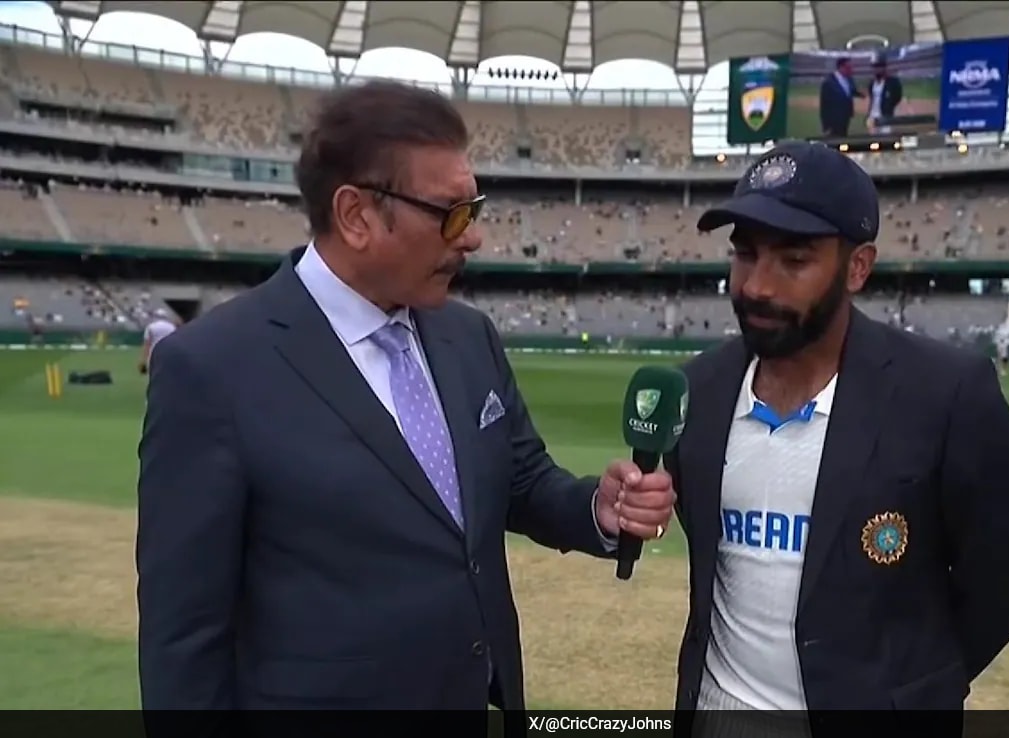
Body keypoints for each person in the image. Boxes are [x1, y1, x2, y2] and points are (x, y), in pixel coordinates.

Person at [135, 80, 676, 712]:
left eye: (473, 208)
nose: (472, 237)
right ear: (356, 215)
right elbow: (184, 639)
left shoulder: (468, 335)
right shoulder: (211, 367)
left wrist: (597, 508)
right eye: (450, 212)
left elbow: (520, 480)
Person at [664, 142, 1009, 735]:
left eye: (793, 260)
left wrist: (910, 690)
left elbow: (1005, 586)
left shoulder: (946, 393)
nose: (757, 285)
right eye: (745, 254)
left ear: (858, 267)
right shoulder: (699, 389)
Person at [818, 57, 862, 137]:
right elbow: (824, 105)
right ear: (841, 67)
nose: (851, 70)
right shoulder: (828, 82)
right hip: (833, 119)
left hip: (846, 116)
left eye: (851, 67)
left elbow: (850, 91)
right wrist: (825, 126)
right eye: (848, 67)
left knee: (843, 137)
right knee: (834, 139)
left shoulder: (849, 79)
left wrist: (861, 95)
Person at [865, 57, 904, 134]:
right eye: (875, 68)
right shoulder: (872, 83)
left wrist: (888, 106)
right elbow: (872, 98)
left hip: (886, 116)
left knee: (886, 136)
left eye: (879, 67)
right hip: (873, 115)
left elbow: (897, 97)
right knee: (873, 137)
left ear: (884, 68)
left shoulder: (893, 82)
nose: (876, 70)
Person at [138, 308, 176, 375]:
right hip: (168, 353)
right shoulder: (172, 327)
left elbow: (147, 344)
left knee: (153, 374)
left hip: (154, 353)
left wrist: (143, 360)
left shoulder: (151, 327)